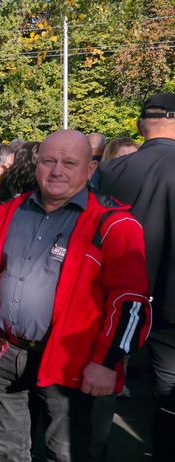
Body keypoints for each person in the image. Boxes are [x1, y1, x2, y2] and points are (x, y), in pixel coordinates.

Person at [0, 129, 151, 461]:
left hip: (74, 364)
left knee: (66, 453)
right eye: (49, 161)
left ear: (90, 170)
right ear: (35, 164)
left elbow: (131, 304)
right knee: (7, 451)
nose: (57, 171)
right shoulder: (9, 211)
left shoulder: (113, 224)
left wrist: (107, 363)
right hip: (6, 353)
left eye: (69, 163)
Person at [98, 92, 175, 459]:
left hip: (117, 293)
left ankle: (93, 445)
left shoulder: (111, 170)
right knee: (167, 384)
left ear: (143, 125)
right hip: (169, 299)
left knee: (105, 369)